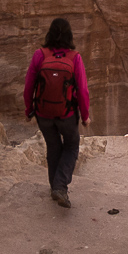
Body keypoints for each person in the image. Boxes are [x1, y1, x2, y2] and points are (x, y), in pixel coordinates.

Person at [24, 18, 90, 207]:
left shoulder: (40, 55)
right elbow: (83, 90)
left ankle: (55, 186)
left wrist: (29, 110)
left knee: (53, 147)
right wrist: (85, 116)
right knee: (71, 146)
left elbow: (29, 86)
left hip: (43, 113)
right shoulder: (74, 57)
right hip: (66, 113)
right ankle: (60, 187)